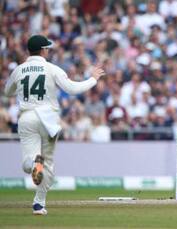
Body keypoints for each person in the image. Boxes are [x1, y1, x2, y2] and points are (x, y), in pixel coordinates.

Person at [4, 35, 106, 215]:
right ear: (43, 50)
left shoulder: (19, 70)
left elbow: (7, 91)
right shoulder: (52, 68)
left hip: (27, 117)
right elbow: (72, 89)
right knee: (48, 164)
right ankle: (38, 203)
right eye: (47, 48)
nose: (48, 51)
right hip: (48, 119)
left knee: (29, 163)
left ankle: (33, 163)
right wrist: (93, 79)